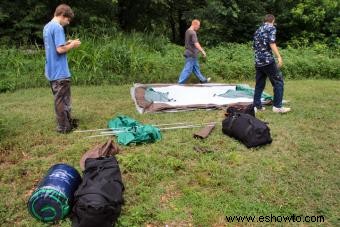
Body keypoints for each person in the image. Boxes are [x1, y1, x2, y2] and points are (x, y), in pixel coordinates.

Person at [43, 4, 81, 133]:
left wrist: (67, 43)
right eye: (68, 20)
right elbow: (60, 50)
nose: (68, 23)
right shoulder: (58, 27)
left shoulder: (47, 27)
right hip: (60, 71)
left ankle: (67, 122)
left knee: (61, 98)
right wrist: (73, 45)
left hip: (51, 70)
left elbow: (57, 46)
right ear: (63, 15)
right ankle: (63, 127)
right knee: (62, 99)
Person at [253, 14, 291, 113]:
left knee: (259, 84)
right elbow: (272, 43)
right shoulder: (271, 28)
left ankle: (257, 106)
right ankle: (277, 107)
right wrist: (279, 56)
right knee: (278, 82)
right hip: (267, 61)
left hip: (258, 61)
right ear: (272, 20)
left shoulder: (258, 30)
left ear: (264, 20)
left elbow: (255, 46)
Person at [178, 19, 210, 84]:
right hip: (191, 54)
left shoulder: (187, 31)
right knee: (188, 69)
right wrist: (202, 51)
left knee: (196, 68)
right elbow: (196, 43)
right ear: (194, 24)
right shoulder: (193, 32)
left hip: (191, 53)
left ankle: (202, 80)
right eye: (198, 25)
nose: (199, 27)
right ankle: (180, 83)